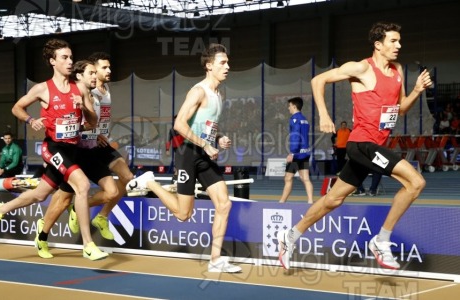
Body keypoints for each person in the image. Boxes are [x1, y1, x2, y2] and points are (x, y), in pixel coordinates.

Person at [278, 22, 432, 270]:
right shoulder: (361, 68)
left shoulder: (398, 70)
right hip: (361, 144)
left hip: (374, 146)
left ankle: (290, 236)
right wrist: (324, 116)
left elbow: (400, 108)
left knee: (333, 200)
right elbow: (318, 80)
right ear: (378, 45)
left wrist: (416, 90)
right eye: (393, 41)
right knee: (416, 182)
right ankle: (381, 241)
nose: (399, 45)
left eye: (399, 41)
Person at [0, 39, 108, 261]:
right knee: (82, 185)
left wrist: (83, 108)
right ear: (53, 61)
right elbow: (17, 107)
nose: (70, 62)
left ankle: (1, 211)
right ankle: (88, 245)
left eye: (71, 57)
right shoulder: (42, 89)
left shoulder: (78, 89)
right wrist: (31, 120)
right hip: (52, 148)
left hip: (72, 149)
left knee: (40, 194)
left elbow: (92, 122)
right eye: (64, 57)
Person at [126, 43, 241, 273]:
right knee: (183, 214)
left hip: (204, 152)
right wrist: (207, 145)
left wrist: (218, 138)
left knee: (224, 204)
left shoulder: (219, 94)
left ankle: (215, 259)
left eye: (227, 62)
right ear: (209, 66)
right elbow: (179, 125)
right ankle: (149, 182)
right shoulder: (198, 91)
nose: (227, 66)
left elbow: (203, 126)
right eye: (222, 62)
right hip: (188, 154)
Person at [39, 52, 135, 249]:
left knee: (127, 177)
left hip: (99, 144)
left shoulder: (105, 89)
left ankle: (101, 216)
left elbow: (98, 119)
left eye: (109, 67)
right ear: (90, 71)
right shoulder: (81, 90)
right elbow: (71, 119)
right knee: (62, 198)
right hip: (78, 148)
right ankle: (43, 232)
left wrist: (99, 132)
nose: (108, 71)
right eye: (102, 68)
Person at [279, 97, 314, 204]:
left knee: (288, 178)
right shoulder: (305, 119)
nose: (288, 108)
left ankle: (281, 202)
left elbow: (295, 137)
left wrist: (292, 153)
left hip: (297, 154)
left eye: (289, 106)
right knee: (306, 178)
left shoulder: (294, 119)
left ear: (294, 106)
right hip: (305, 152)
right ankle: (310, 201)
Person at [165, 115, 184, 183]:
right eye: (175, 120)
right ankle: (176, 176)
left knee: (182, 163)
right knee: (179, 162)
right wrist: (167, 150)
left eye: (177, 119)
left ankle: (176, 176)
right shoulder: (172, 130)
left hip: (184, 148)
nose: (176, 121)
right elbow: (169, 140)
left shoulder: (184, 128)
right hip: (177, 149)